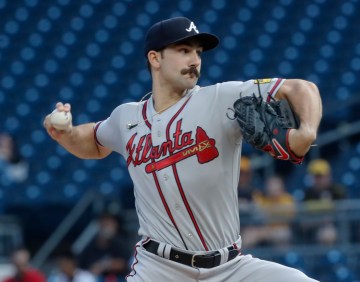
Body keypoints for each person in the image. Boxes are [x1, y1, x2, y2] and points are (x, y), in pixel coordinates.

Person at [44, 17, 322, 281]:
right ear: (155, 58)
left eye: (198, 52)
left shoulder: (221, 97)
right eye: (184, 50)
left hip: (230, 268)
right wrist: (66, 133)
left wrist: (306, 131)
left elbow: (301, 88)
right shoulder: (126, 118)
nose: (195, 60)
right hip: (159, 269)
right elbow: (92, 141)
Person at [242, 175, 295, 248]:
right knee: (248, 235)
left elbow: (289, 216)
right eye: (270, 186)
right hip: (265, 228)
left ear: (281, 188)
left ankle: (284, 258)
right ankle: (245, 257)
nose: (272, 189)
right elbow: (254, 206)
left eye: (275, 187)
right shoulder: (264, 199)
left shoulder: (287, 199)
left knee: (282, 235)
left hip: (281, 228)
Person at [78, 213, 129, 281]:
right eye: (104, 224)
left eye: (108, 224)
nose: (106, 228)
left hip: (118, 278)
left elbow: (122, 264)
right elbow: (83, 266)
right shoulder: (91, 245)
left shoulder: (120, 242)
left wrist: (103, 266)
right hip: (95, 278)